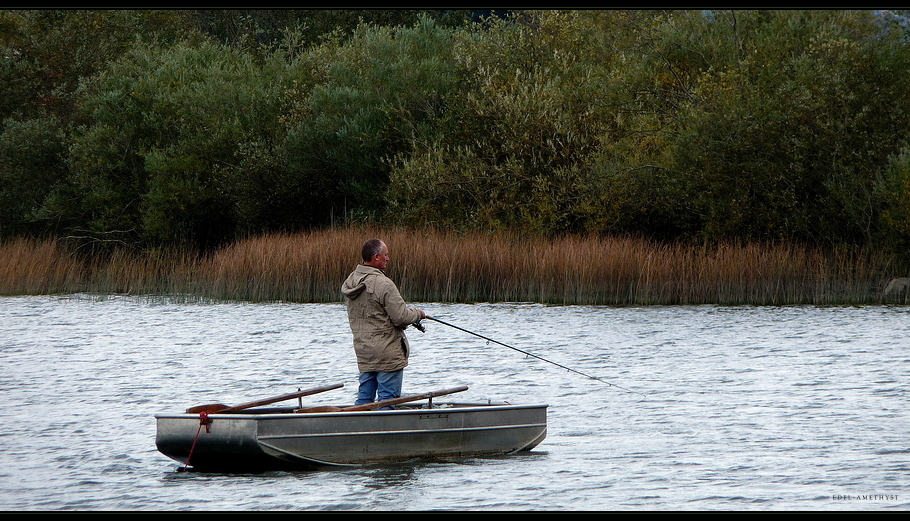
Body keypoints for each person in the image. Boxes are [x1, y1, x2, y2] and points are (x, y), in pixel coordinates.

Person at [341, 238, 426, 406]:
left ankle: (358, 429)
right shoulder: (384, 284)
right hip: (387, 353)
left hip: (364, 351)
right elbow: (401, 317)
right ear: (376, 257)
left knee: (364, 401)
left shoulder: (351, 281)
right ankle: (383, 430)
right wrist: (418, 314)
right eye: (385, 255)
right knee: (388, 401)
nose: (388, 259)